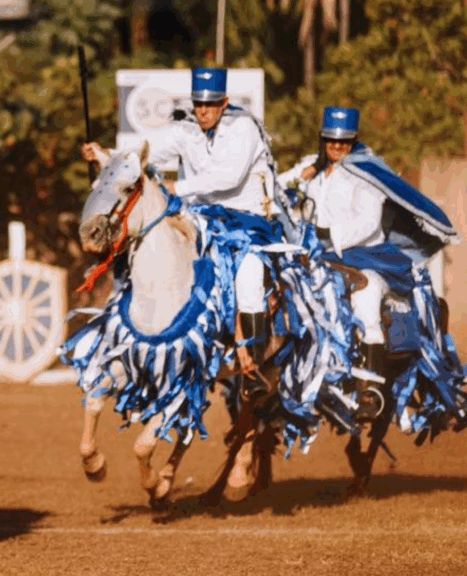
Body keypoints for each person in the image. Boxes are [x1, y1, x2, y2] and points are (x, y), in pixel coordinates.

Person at [81, 68, 282, 396]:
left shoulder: (244, 128)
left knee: (248, 275)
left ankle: (254, 368)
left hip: (248, 222)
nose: (203, 110)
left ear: (225, 103)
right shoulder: (185, 129)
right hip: (203, 218)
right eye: (199, 103)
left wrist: (179, 185)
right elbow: (139, 155)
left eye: (211, 104)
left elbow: (228, 177)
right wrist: (103, 154)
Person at [279, 106, 461, 423]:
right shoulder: (312, 166)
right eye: (331, 141)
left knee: (366, 297)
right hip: (316, 257)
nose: (337, 147)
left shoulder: (367, 172)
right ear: (323, 139)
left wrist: (327, 233)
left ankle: (370, 388)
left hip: (366, 257)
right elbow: (279, 187)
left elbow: (368, 222)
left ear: (354, 140)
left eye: (344, 141)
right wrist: (295, 180)